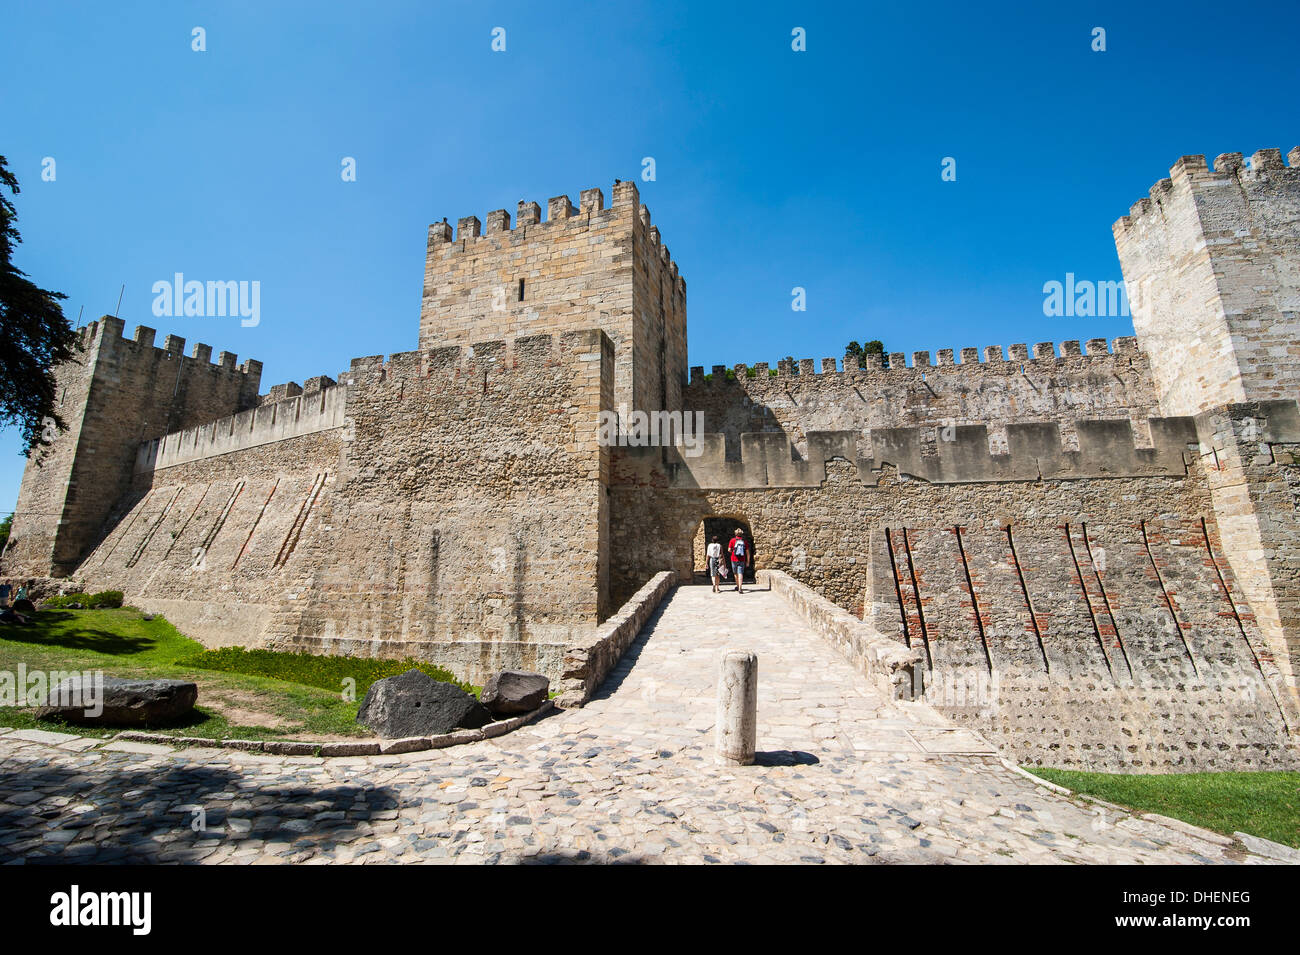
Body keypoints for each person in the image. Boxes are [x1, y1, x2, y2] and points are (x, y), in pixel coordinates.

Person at [728, 528, 748, 594]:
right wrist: (748, 561)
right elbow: (747, 552)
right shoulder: (744, 541)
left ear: (735, 533)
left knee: (735, 573)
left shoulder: (732, 540)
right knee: (740, 573)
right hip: (742, 559)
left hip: (734, 559)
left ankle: (737, 585)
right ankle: (740, 588)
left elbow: (729, 550)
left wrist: (733, 551)